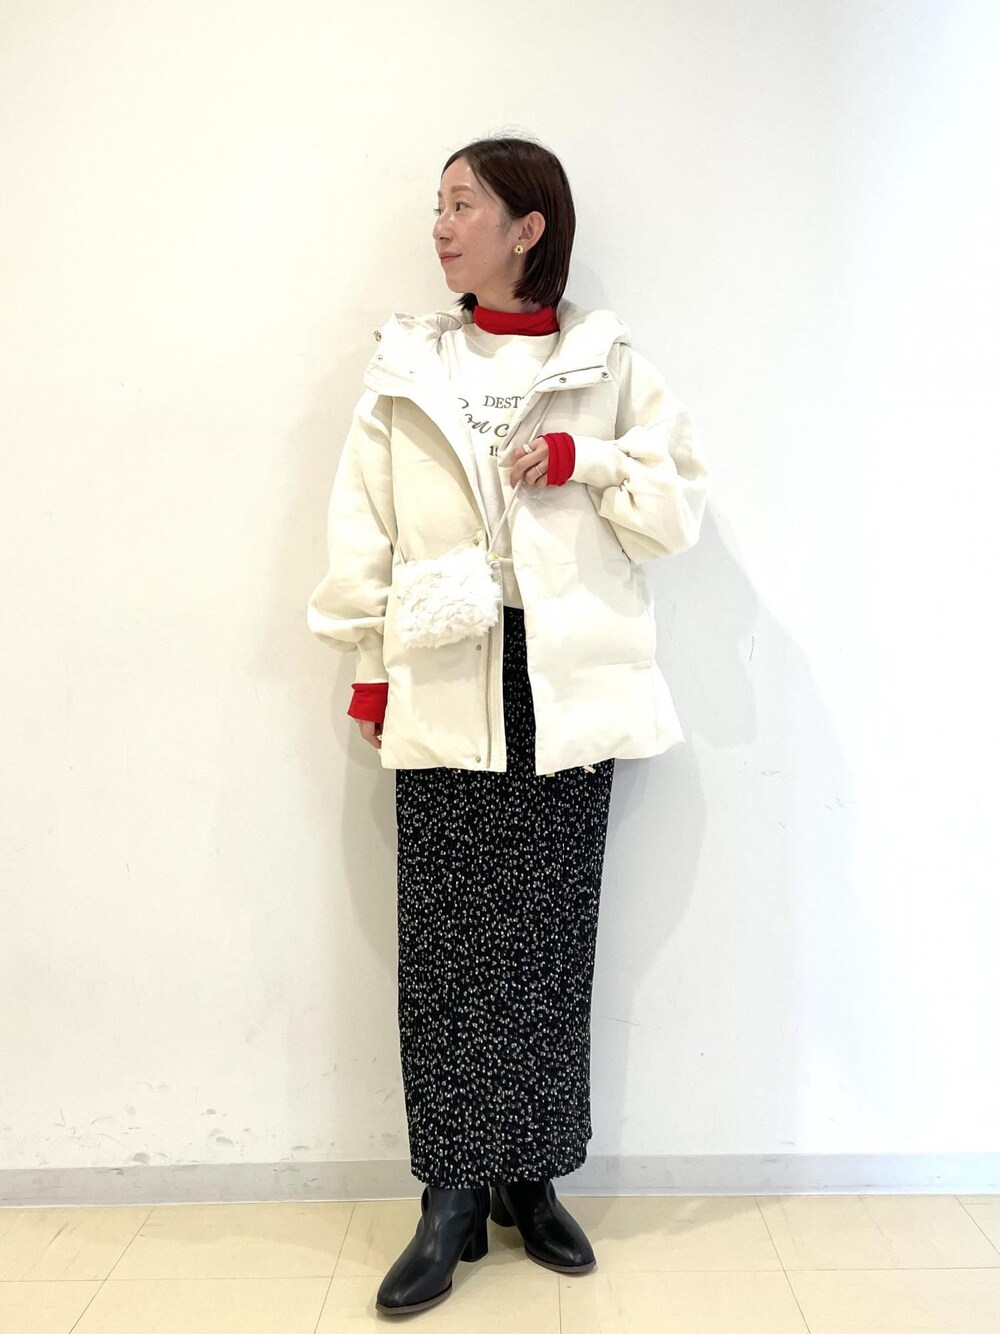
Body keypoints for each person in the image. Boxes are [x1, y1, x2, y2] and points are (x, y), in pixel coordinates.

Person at [306, 134, 710, 1316]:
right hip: (445, 670)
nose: (439, 226)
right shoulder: (406, 366)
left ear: (527, 227)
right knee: (443, 946)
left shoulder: (609, 364)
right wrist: (370, 672)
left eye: (461, 204)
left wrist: (585, 456)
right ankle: (447, 1193)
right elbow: (363, 526)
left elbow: (673, 508)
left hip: (564, 681)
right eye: (437, 206)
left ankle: (529, 1176)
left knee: (547, 941)